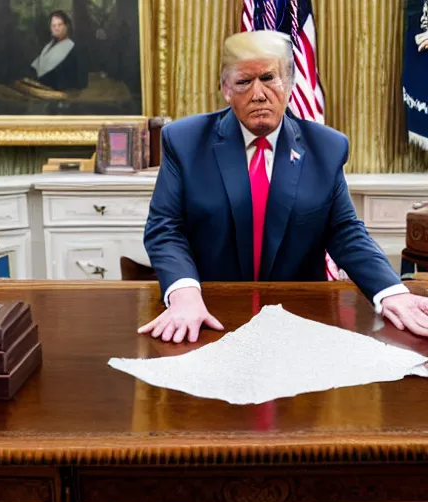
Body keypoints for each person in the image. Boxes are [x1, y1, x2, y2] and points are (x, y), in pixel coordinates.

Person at [138, 30, 428, 343]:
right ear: (225, 89)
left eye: (268, 78)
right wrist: (183, 293)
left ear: (289, 84)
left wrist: (391, 292)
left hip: (298, 321)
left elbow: (345, 231)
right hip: (208, 314)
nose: (258, 93)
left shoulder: (325, 148)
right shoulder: (185, 141)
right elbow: (164, 228)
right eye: (243, 82)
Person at [30, 10, 83, 91]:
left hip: (59, 91)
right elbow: (38, 65)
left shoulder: (71, 47)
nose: (56, 28)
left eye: (59, 25)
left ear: (66, 26)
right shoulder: (49, 46)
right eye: (53, 26)